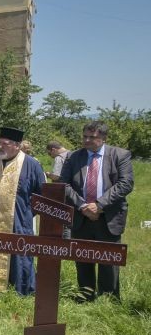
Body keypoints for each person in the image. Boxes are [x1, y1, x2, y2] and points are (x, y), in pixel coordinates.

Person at [59, 121, 134, 300]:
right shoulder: (73, 157)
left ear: (103, 138)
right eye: (84, 136)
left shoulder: (120, 155)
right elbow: (64, 184)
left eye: (92, 137)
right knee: (82, 257)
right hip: (81, 215)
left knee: (108, 260)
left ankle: (108, 299)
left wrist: (99, 205)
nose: (86, 140)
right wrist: (83, 205)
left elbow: (126, 184)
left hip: (108, 216)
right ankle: (85, 296)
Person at [0, 127, 46, 296]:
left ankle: (22, 291)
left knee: (20, 258)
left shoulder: (31, 165)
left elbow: (42, 194)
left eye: (6, 144)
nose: (1, 147)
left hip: (19, 222)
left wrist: (26, 214)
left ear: (17, 146)